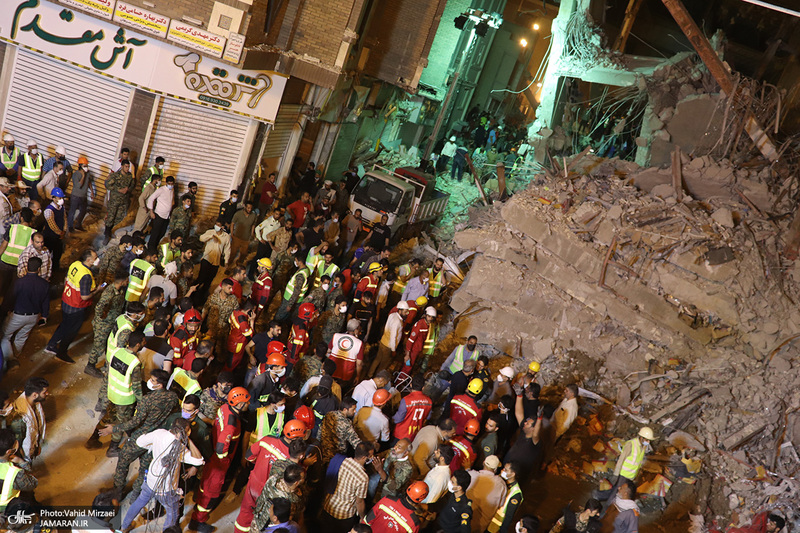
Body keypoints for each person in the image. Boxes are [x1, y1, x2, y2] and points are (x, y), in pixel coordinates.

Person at [120, 418, 205, 532]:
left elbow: (139, 441)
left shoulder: (159, 433)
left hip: (150, 481)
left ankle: (124, 526)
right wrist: (188, 440)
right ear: (187, 432)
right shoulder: (179, 447)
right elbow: (199, 460)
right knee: (173, 514)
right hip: (167, 490)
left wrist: (152, 447)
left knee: (140, 501)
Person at [190, 387, 251, 533]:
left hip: (211, 456)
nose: (248, 404)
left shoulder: (224, 407)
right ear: (239, 404)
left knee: (205, 485)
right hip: (219, 464)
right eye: (246, 402)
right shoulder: (231, 425)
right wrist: (224, 460)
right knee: (211, 492)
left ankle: (198, 507)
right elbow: (221, 448)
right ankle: (198, 520)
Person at [45, 249, 104, 364]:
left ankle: (51, 345)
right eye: (95, 258)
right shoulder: (86, 276)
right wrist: (98, 290)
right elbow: (85, 297)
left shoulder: (75, 264)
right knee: (72, 330)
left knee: (64, 324)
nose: (97, 259)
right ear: (89, 260)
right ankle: (61, 353)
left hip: (66, 301)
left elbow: (66, 279)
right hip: (76, 307)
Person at [0, 257, 49, 369]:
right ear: (39, 269)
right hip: (34, 316)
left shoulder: (19, 282)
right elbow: (45, 303)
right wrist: (45, 316)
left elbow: (10, 298)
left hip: (17, 315)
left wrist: (4, 311)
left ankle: (10, 360)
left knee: (6, 336)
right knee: (22, 337)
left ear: (27, 267)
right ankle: (16, 356)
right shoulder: (44, 284)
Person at [595, 427, 654, 508]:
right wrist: (616, 474)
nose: (648, 442)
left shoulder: (643, 446)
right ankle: (606, 511)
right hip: (623, 474)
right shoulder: (631, 444)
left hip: (631, 475)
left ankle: (598, 495)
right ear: (641, 437)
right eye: (647, 440)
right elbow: (621, 460)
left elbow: (638, 461)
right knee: (616, 493)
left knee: (616, 490)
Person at [322, 442, 373, 533]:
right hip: (344, 515)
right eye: (371, 456)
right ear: (364, 458)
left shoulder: (342, 461)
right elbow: (359, 501)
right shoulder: (363, 477)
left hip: (329, 505)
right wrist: (362, 517)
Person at [250, 464, 306, 533]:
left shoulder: (274, 478)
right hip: (272, 529)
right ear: (296, 482)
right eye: (303, 478)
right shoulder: (291, 500)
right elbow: (293, 518)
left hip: (257, 519)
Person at [8, 377, 49, 466]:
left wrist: (37, 445)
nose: (47, 393)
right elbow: (19, 445)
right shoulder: (20, 419)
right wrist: (23, 462)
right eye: (44, 392)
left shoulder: (35, 402)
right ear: (34, 395)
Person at [0, 428, 38, 513]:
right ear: (9, 451)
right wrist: (22, 463)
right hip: (5, 510)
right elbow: (33, 483)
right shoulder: (14, 473)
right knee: (28, 495)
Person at [467, 456, 506, 533]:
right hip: (480, 527)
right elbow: (501, 504)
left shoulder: (471, 475)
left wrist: (467, 468)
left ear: (483, 463)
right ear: (495, 469)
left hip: (461, 520)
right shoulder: (501, 484)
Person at [371, 300, 409, 376]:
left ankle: (370, 374)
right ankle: (377, 378)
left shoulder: (393, 315)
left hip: (383, 341)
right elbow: (393, 336)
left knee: (377, 359)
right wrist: (393, 350)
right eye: (405, 312)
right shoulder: (397, 321)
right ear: (400, 310)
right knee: (383, 365)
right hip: (388, 346)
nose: (406, 314)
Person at [319, 397, 362, 463]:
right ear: (345, 409)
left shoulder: (329, 415)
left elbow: (320, 432)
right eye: (353, 409)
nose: (355, 411)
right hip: (338, 456)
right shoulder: (346, 424)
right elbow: (355, 441)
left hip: (324, 452)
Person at [197, 219, 232, 299]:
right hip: (207, 258)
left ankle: (201, 297)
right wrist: (211, 237)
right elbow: (201, 238)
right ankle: (193, 292)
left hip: (216, 262)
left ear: (222, 227)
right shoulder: (210, 232)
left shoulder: (226, 237)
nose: (216, 226)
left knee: (209, 281)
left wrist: (226, 261)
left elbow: (227, 250)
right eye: (216, 224)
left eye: (218, 225)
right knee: (201, 278)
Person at [486, 462, 524, 533]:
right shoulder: (500, 479)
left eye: (506, 470)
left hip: (493, 527)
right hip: (485, 519)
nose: (502, 471)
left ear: (512, 474)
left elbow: (508, 517)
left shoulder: (515, 494)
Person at [104, 159, 135, 244]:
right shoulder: (115, 175)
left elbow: (132, 185)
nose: (127, 168)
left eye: (128, 167)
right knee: (110, 217)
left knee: (119, 217)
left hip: (123, 201)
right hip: (114, 200)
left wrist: (128, 189)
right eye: (126, 166)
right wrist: (119, 190)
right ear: (122, 166)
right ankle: (106, 234)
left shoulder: (129, 176)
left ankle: (109, 230)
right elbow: (107, 184)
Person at [328, 318, 364, 386]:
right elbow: (359, 364)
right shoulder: (359, 343)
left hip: (332, 370)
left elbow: (328, 351)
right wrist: (358, 376)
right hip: (346, 374)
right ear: (356, 330)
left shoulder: (336, 336)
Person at [146, 175, 175, 246]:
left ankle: (155, 246)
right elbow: (151, 198)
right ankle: (150, 247)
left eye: (172, 184)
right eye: (169, 184)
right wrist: (151, 211)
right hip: (159, 215)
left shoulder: (172, 190)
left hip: (166, 216)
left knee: (162, 233)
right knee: (155, 233)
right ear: (166, 183)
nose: (170, 185)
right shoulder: (161, 190)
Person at [41, 187, 67, 268]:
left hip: (59, 236)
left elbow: (65, 219)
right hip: (50, 236)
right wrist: (60, 233)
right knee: (47, 253)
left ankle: (55, 268)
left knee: (57, 253)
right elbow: (52, 224)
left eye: (62, 198)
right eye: (59, 198)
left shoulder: (62, 208)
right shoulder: (49, 210)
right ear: (53, 198)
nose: (61, 199)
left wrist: (64, 230)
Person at [231, 200, 257, 264]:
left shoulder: (253, 216)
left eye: (251, 208)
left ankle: (238, 266)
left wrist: (252, 234)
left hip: (246, 239)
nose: (249, 210)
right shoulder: (238, 214)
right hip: (237, 237)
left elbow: (253, 225)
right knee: (233, 254)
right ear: (245, 207)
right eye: (248, 208)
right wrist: (232, 234)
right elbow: (232, 223)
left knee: (243, 254)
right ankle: (228, 266)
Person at [68, 156, 91, 231]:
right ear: (80, 166)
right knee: (72, 211)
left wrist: (92, 192)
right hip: (76, 196)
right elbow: (79, 185)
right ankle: (70, 227)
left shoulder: (88, 173)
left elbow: (88, 182)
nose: (86, 167)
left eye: (87, 165)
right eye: (85, 166)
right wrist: (83, 176)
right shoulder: (76, 174)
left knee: (83, 210)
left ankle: (78, 225)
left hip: (83, 196)